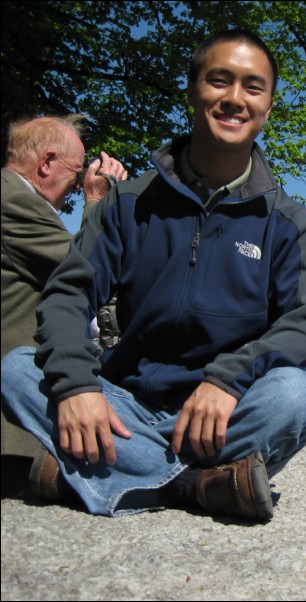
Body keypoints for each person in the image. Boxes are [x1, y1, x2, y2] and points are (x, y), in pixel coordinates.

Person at [1, 29, 306, 523]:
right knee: (17, 369)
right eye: (219, 80)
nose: (234, 98)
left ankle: (105, 476)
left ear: (268, 105)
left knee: (295, 396)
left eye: (252, 86)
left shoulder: (287, 223)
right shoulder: (130, 203)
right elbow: (68, 294)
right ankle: (196, 486)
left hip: (220, 416)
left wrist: (227, 380)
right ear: (192, 90)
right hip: (124, 407)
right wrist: (76, 387)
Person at [1, 115, 127, 493]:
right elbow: (85, 269)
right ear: (46, 162)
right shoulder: (12, 200)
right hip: (12, 422)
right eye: (76, 174)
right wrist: (97, 203)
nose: (77, 186)